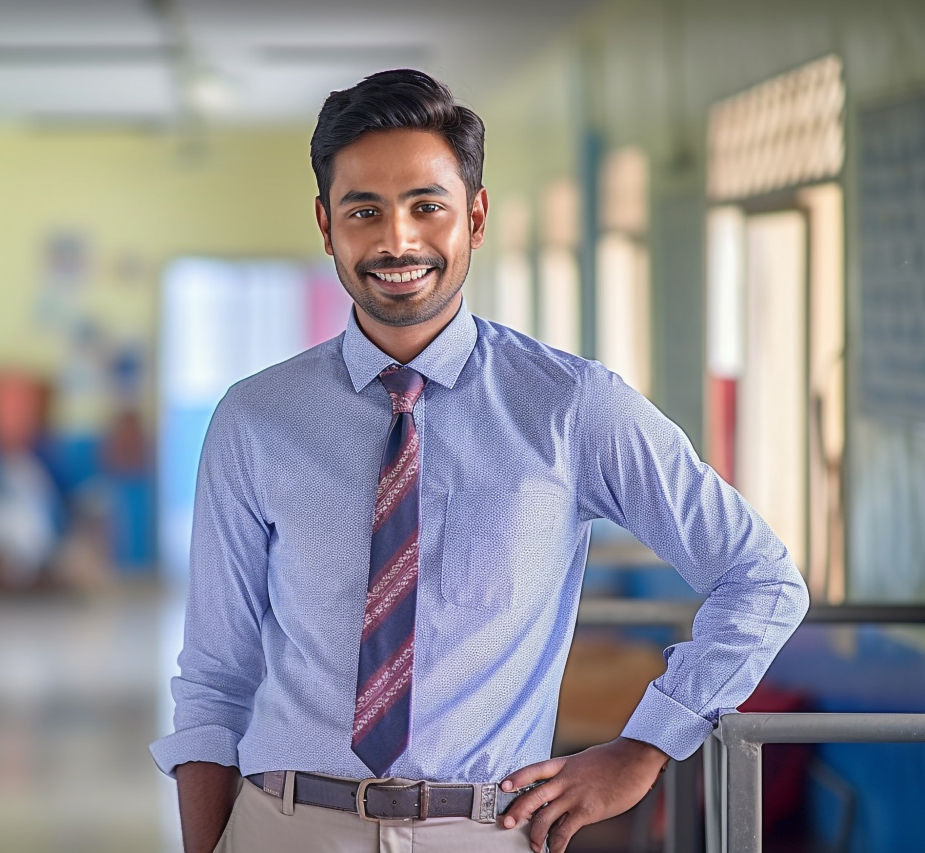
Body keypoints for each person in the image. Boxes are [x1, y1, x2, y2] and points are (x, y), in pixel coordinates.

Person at [150, 69, 808, 853]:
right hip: (285, 826)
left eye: (428, 205)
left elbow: (761, 578)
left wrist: (644, 747)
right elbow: (216, 676)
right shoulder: (255, 419)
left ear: (477, 215)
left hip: (484, 829)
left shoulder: (571, 406)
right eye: (365, 211)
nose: (398, 240)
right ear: (327, 226)